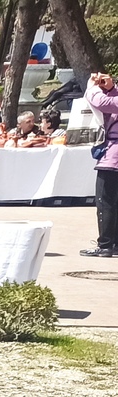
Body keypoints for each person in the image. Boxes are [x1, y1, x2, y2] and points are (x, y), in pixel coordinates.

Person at [81, 71, 117, 258]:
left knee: (105, 202)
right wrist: (110, 88)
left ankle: (105, 245)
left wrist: (92, 87)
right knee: (115, 202)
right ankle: (115, 244)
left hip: (113, 157)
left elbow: (103, 103)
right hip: (113, 156)